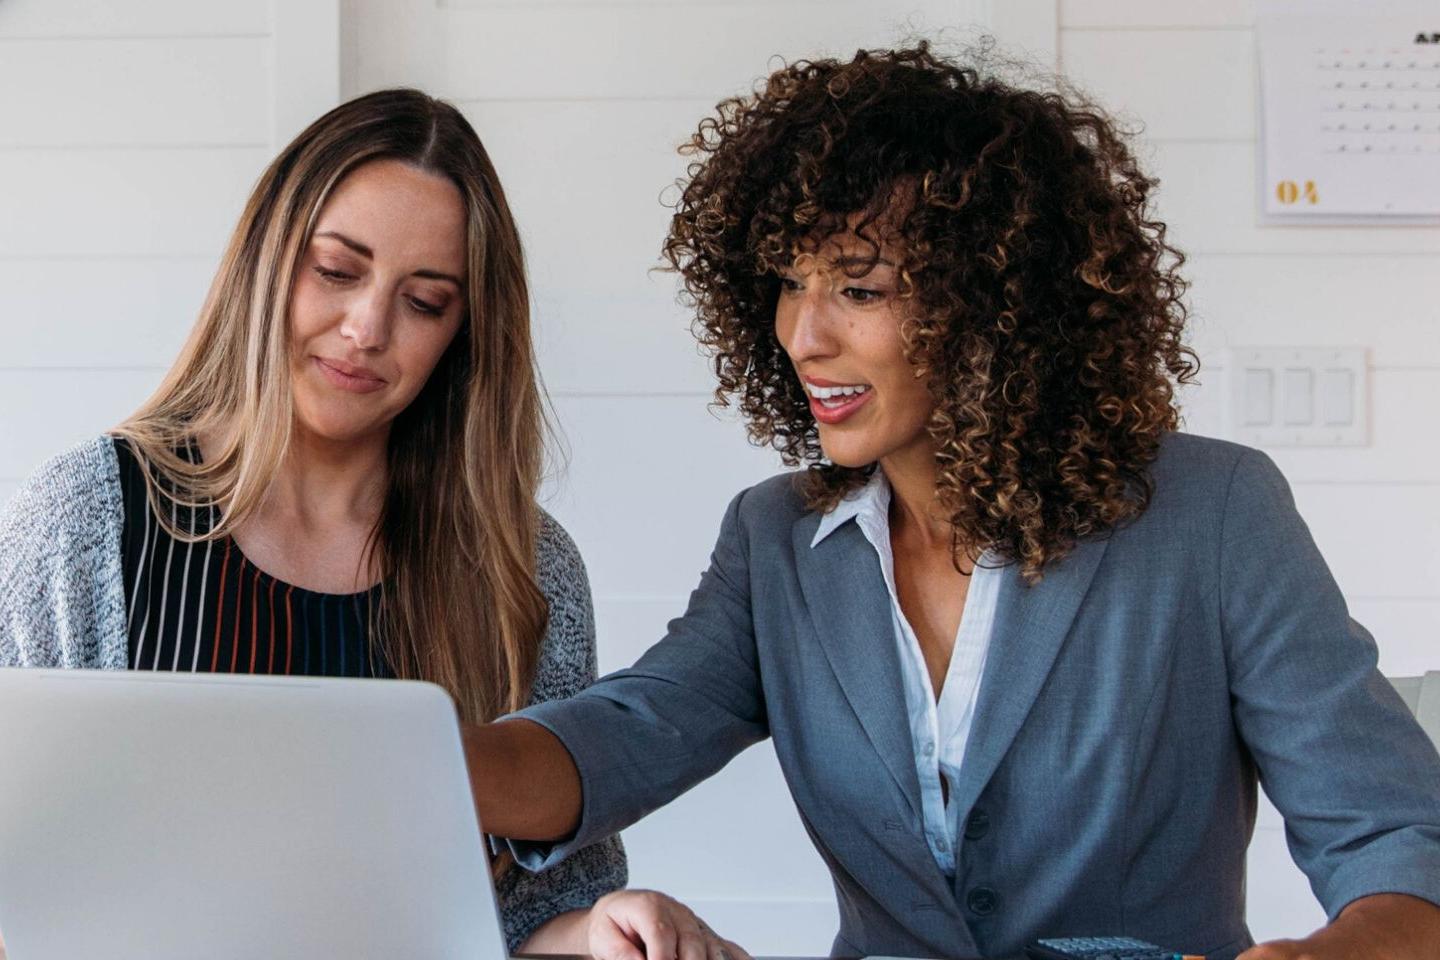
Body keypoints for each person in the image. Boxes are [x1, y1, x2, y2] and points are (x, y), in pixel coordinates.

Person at [460, 44, 1440, 960]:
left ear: (999, 300)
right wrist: (420, 761)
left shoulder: (1213, 512)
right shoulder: (776, 539)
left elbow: (1394, 840)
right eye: (790, 283)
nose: (803, 335)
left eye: (860, 288)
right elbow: (629, 734)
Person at [0, 88, 730, 958]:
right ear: (265, 262)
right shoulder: (91, 514)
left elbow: (530, 925)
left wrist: (599, 931)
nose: (365, 329)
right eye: (337, 271)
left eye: (425, 302)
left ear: (464, 332)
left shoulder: (522, 565)